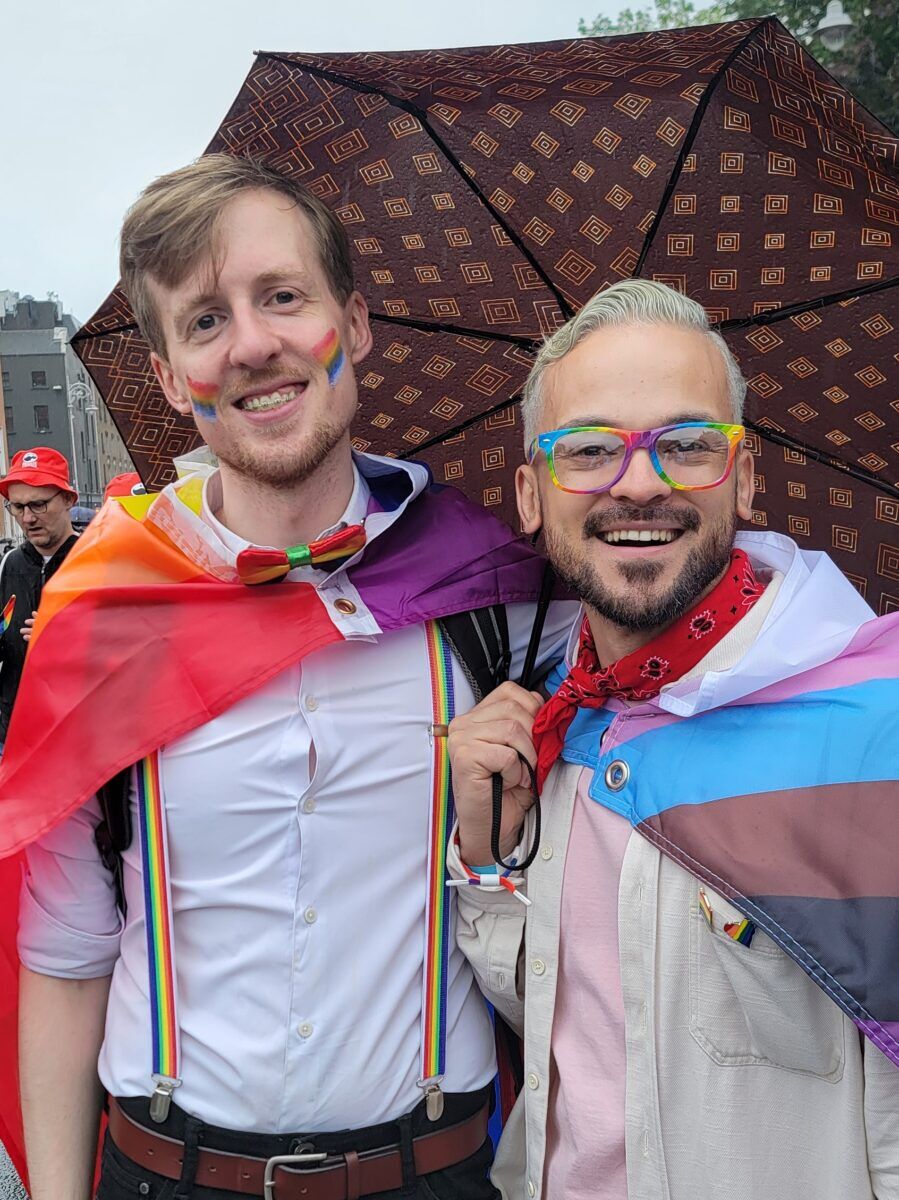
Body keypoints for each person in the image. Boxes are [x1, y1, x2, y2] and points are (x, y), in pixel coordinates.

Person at [1, 154, 574, 1200]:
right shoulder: (104, 618)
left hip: (435, 1173)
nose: (253, 342)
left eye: (281, 297)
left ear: (350, 325)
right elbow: (67, 949)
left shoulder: (503, 602)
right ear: (174, 378)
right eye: (205, 320)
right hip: (165, 1173)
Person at [447, 279, 899, 1200]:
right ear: (531, 495)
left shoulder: (876, 733)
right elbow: (559, 1016)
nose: (639, 483)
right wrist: (487, 853)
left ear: (744, 476)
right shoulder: (558, 733)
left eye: (688, 444)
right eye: (588, 450)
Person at [0, 447, 78, 745]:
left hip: (75, 733)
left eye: (39, 505)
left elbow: (129, 648)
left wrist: (66, 639)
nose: (28, 518)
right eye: (18, 507)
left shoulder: (97, 560)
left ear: (69, 499)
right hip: (15, 733)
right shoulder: (9, 564)